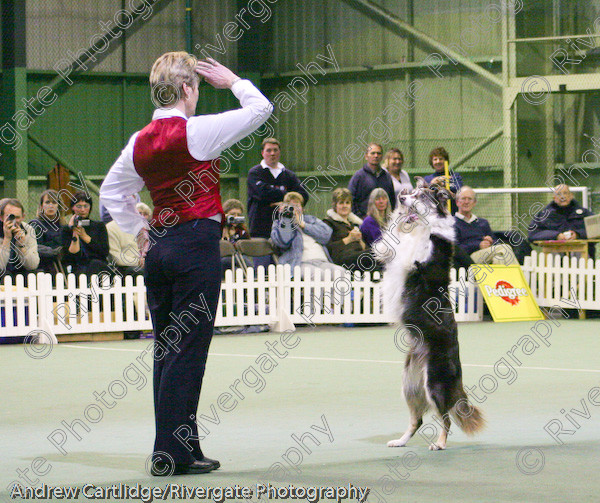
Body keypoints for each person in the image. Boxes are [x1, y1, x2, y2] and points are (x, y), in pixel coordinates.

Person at [100, 52, 272, 476]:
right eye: (195, 88)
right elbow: (260, 109)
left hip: (159, 248)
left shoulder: (139, 141)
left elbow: (110, 192)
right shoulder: (197, 131)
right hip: (195, 245)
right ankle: (170, 453)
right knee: (188, 352)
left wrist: (138, 231)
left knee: (167, 349)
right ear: (189, 89)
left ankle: (180, 445)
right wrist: (232, 78)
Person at [270, 191, 344, 278]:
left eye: (297, 205)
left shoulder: (311, 220)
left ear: (302, 208)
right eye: (291, 206)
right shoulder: (279, 224)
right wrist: (287, 220)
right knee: (319, 275)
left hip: (322, 261)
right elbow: (283, 242)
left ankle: (334, 292)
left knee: (341, 272)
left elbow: (326, 235)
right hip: (299, 263)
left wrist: (303, 225)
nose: (294, 209)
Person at [247, 137, 309, 239]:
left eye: (275, 150)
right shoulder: (255, 173)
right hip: (260, 229)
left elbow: (303, 195)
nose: (272, 153)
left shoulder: (289, 175)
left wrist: (284, 203)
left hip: (287, 231)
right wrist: (288, 197)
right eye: (269, 150)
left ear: (279, 152)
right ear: (262, 153)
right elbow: (262, 193)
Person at [454, 186, 518, 265]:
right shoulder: (452, 223)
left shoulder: (483, 223)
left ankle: (501, 278)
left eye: (470, 199)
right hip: (468, 257)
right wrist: (478, 245)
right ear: (457, 202)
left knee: (499, 258)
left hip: (487, 254)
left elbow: (495, 243)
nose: (466, 202)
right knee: (505, 248)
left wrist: (490, 241)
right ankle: (517, 277)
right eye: (463, 199)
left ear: (474, 203)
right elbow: (455, 248)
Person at [61, 191, 110, 277]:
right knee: (80, 271)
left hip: (98, 266)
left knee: (94, 264)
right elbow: (70, 256)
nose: (82, 210)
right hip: (79, 268)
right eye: (79, 206)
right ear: (73, 207)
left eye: (86, 206)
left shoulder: (99, 226)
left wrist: (85, 237)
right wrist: (74, 233)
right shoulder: (66, 230)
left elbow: (104, 252)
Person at [322, 188, 368, 271]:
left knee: (378, 254)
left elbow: (365, 248)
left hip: (358, 257)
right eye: (341, 203)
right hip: (342, 260)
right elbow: (328, 248)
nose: (344, 206)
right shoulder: (328, 223)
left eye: (347, 203)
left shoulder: (354, 224)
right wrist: (349, 239)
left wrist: (360, 240)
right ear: (335, 205)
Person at [528, 184, 594, 242]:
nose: (562, 197)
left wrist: (577, 234)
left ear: (571, 195)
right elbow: (533, 234)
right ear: (554, 197)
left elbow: (596, 230)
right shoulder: (544, 215)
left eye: (565, 193)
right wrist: (556, 236)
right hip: (554, 252)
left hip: (582, 252)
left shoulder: (585, 213)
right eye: (559, 194)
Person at [348, 143, 396, 219]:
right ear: (366, 156)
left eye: (379, 153)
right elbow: (351, 199)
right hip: (363, 221)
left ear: (382, 157)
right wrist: (359, 218)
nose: (376, 156)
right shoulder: (358, 176)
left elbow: (392, 199)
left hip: (384, 221)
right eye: (373, 153)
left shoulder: (387, 176)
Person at [106, 202, 151, 277]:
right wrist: (139, 262)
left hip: (145, 264)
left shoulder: (144, 228)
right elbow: (116, 258)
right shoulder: (111, 227)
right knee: (139, 272)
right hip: (125, 267)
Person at [0, 199, 40, 280]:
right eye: (10, 217)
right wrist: (7, 239)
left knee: (34, 275)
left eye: (17, 217)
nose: (14, 221)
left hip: (21, 274)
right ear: (1, 217)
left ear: (23, 217)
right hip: (2, 276)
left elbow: (33, 265)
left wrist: (21, 245)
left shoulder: (28, 230)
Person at [29, 189, 65, 274]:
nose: (51, 205)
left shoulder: (63, 226)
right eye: (47, 202)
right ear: (41, 206)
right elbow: (34, 247)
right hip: (43, 265)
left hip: (62, 264)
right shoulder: (35, 224)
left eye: (54, 202)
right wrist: (53, 252)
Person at [221, 198, 251, 275]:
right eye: (233, 214)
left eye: (238, 215)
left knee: (238, 270)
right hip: (222, 260)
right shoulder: (218, 228)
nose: (236, 217)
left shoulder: (241, 230)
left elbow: (246, 247)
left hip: (239, 259)